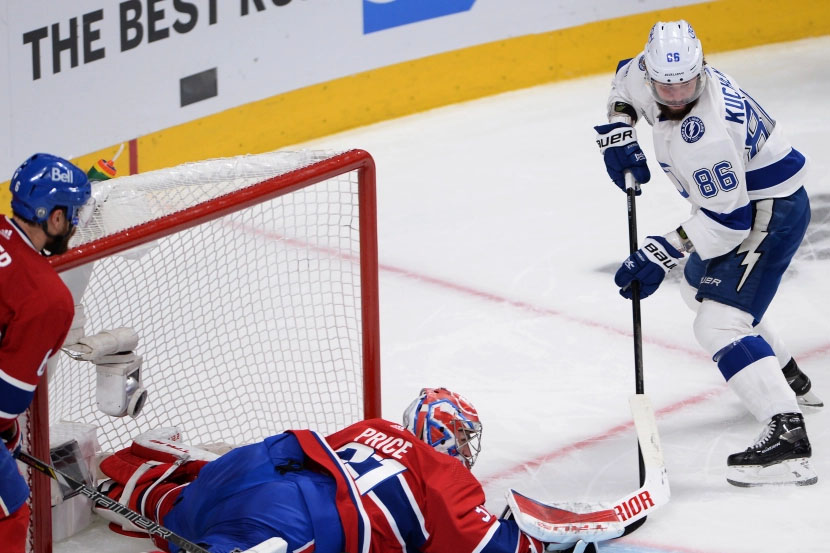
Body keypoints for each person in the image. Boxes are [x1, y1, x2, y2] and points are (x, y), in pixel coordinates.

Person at [593, 20, 818, 486]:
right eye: (666, 88)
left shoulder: (707, 135)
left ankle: (787, 432)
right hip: (740, 205)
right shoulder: (650, 73)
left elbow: (729, 223)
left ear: (702, 70)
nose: (677, 97)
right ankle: (783, 374)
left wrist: (661, 251)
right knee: (696, 288)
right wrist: (620, 130)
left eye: (687, 85)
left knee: (718, 322)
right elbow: (623, 82)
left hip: (767, 211)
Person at [96, 387, 583, 553]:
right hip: (296, 519)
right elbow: (494, 546)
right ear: (443, 436)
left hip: (253, 467)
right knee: (275, 533)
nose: (465, 450)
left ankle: (126, 489)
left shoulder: (370, 426)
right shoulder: (446, 477)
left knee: (184, 508)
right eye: (462, 437)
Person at [0, 153, 91, 551]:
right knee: (10, 512)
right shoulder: (46, 297)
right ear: (54, 218)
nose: (74, 224)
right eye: (72, 215)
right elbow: (5, 402)